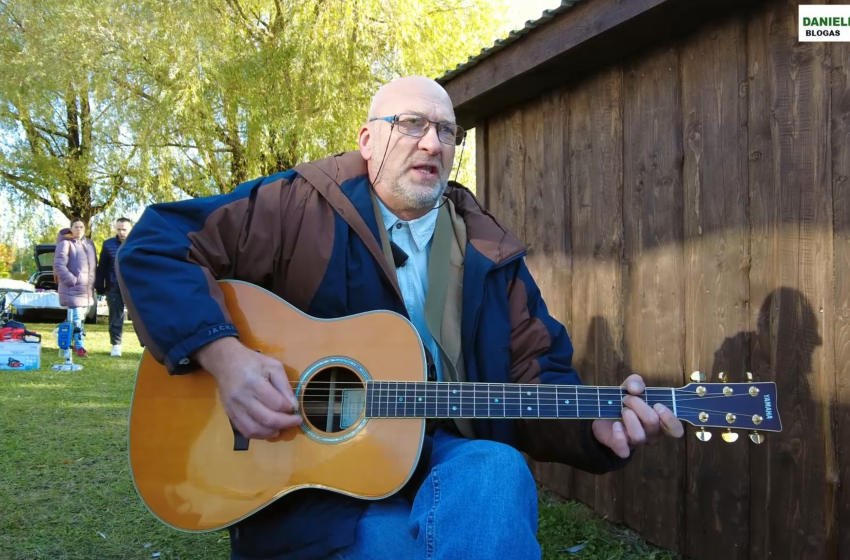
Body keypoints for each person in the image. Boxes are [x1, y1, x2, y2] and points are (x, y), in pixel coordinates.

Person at [116, 76, 684, 560]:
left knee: (496, 469)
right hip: (312, 482)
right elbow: (156, 246)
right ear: (368, 139)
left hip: (448, 454)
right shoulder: (297, 206)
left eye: (447, 131)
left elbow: (538, 372)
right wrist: (225, 355)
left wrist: (591, 426)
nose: (432, 143)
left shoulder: (487, 251)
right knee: (392, 545)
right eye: (412, 123)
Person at [54, 217, 97, 358]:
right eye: (76, 227)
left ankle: (63, 338)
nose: (79, 229)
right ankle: (80, 347)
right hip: (72, 290)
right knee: (77, 320)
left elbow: (92, 268)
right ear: (71, 229)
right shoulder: (65, 244)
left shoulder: (89, 245)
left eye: (81, 227)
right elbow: (59, 266)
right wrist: (73, 280)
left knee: (79, 320)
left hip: (86, 291)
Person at [95, 217, 134, 356]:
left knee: (139, 318)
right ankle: (116, 345)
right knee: (115, 317)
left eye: (124, 229)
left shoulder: (139, 242)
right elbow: (102, 268)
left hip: (134, 287)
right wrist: (99, 286)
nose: (121, 232)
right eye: (119, 229)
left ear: (130, 229)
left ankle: (146, 346)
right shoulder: (108, 245)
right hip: (113, 287)